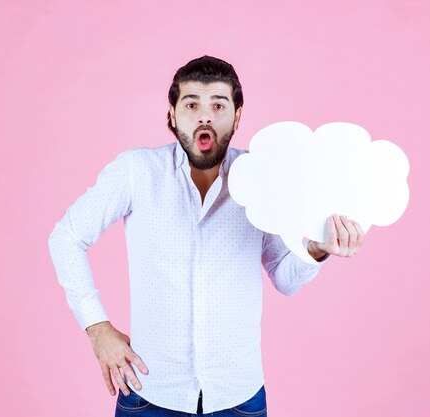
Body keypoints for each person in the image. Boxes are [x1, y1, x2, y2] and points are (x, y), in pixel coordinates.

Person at [48, 55, 365, 417]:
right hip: (149, 396)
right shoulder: (135, 171)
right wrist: (97, 329)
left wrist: (317, 249)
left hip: (238, 398)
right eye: (191, 104)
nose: (205, 116)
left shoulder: (265, 181)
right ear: (171, 114)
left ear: (238, 115)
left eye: (218, 104)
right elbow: (66, 237)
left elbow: (285, 277)